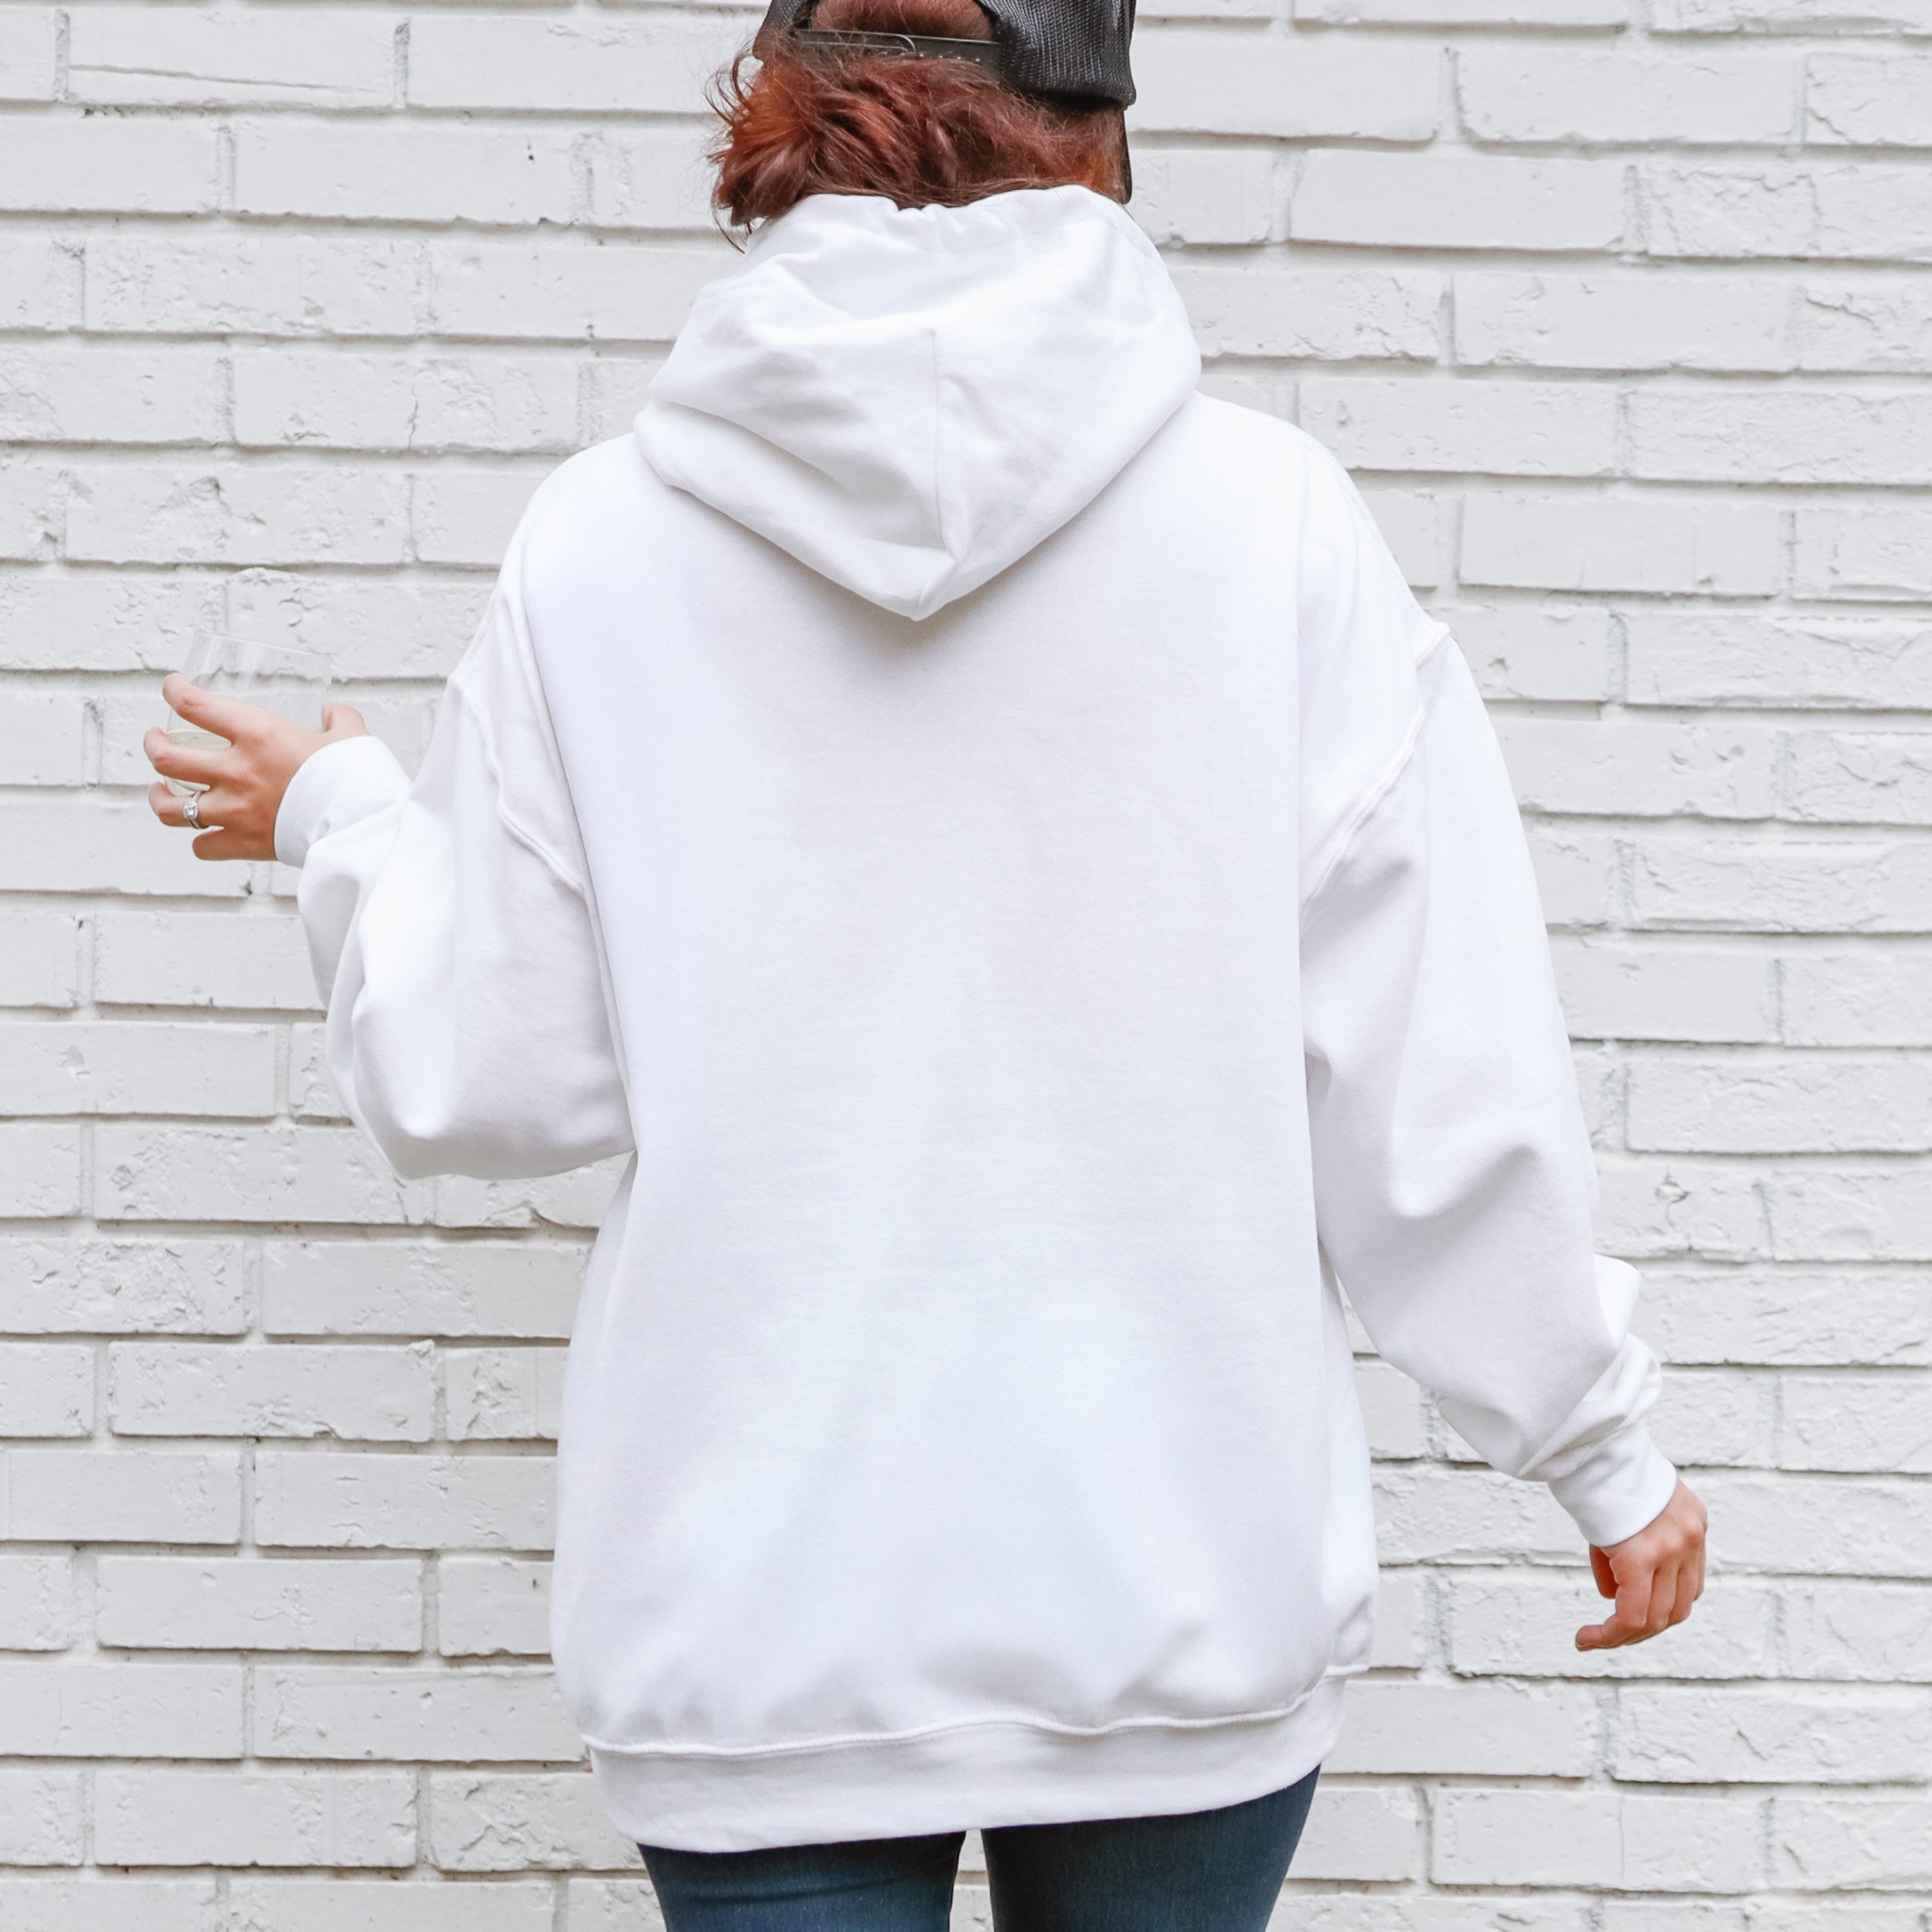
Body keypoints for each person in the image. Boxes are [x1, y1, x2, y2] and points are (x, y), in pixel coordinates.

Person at [145, 0, 1707, 1921]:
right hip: (1176, 1601)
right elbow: (1430, 1077)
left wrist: (350, 818)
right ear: (1100, 141)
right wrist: (1597, 1449)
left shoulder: (602, 545)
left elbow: (491, 1073)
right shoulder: (1268, 525)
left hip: (760, 1622)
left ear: (779, 131)